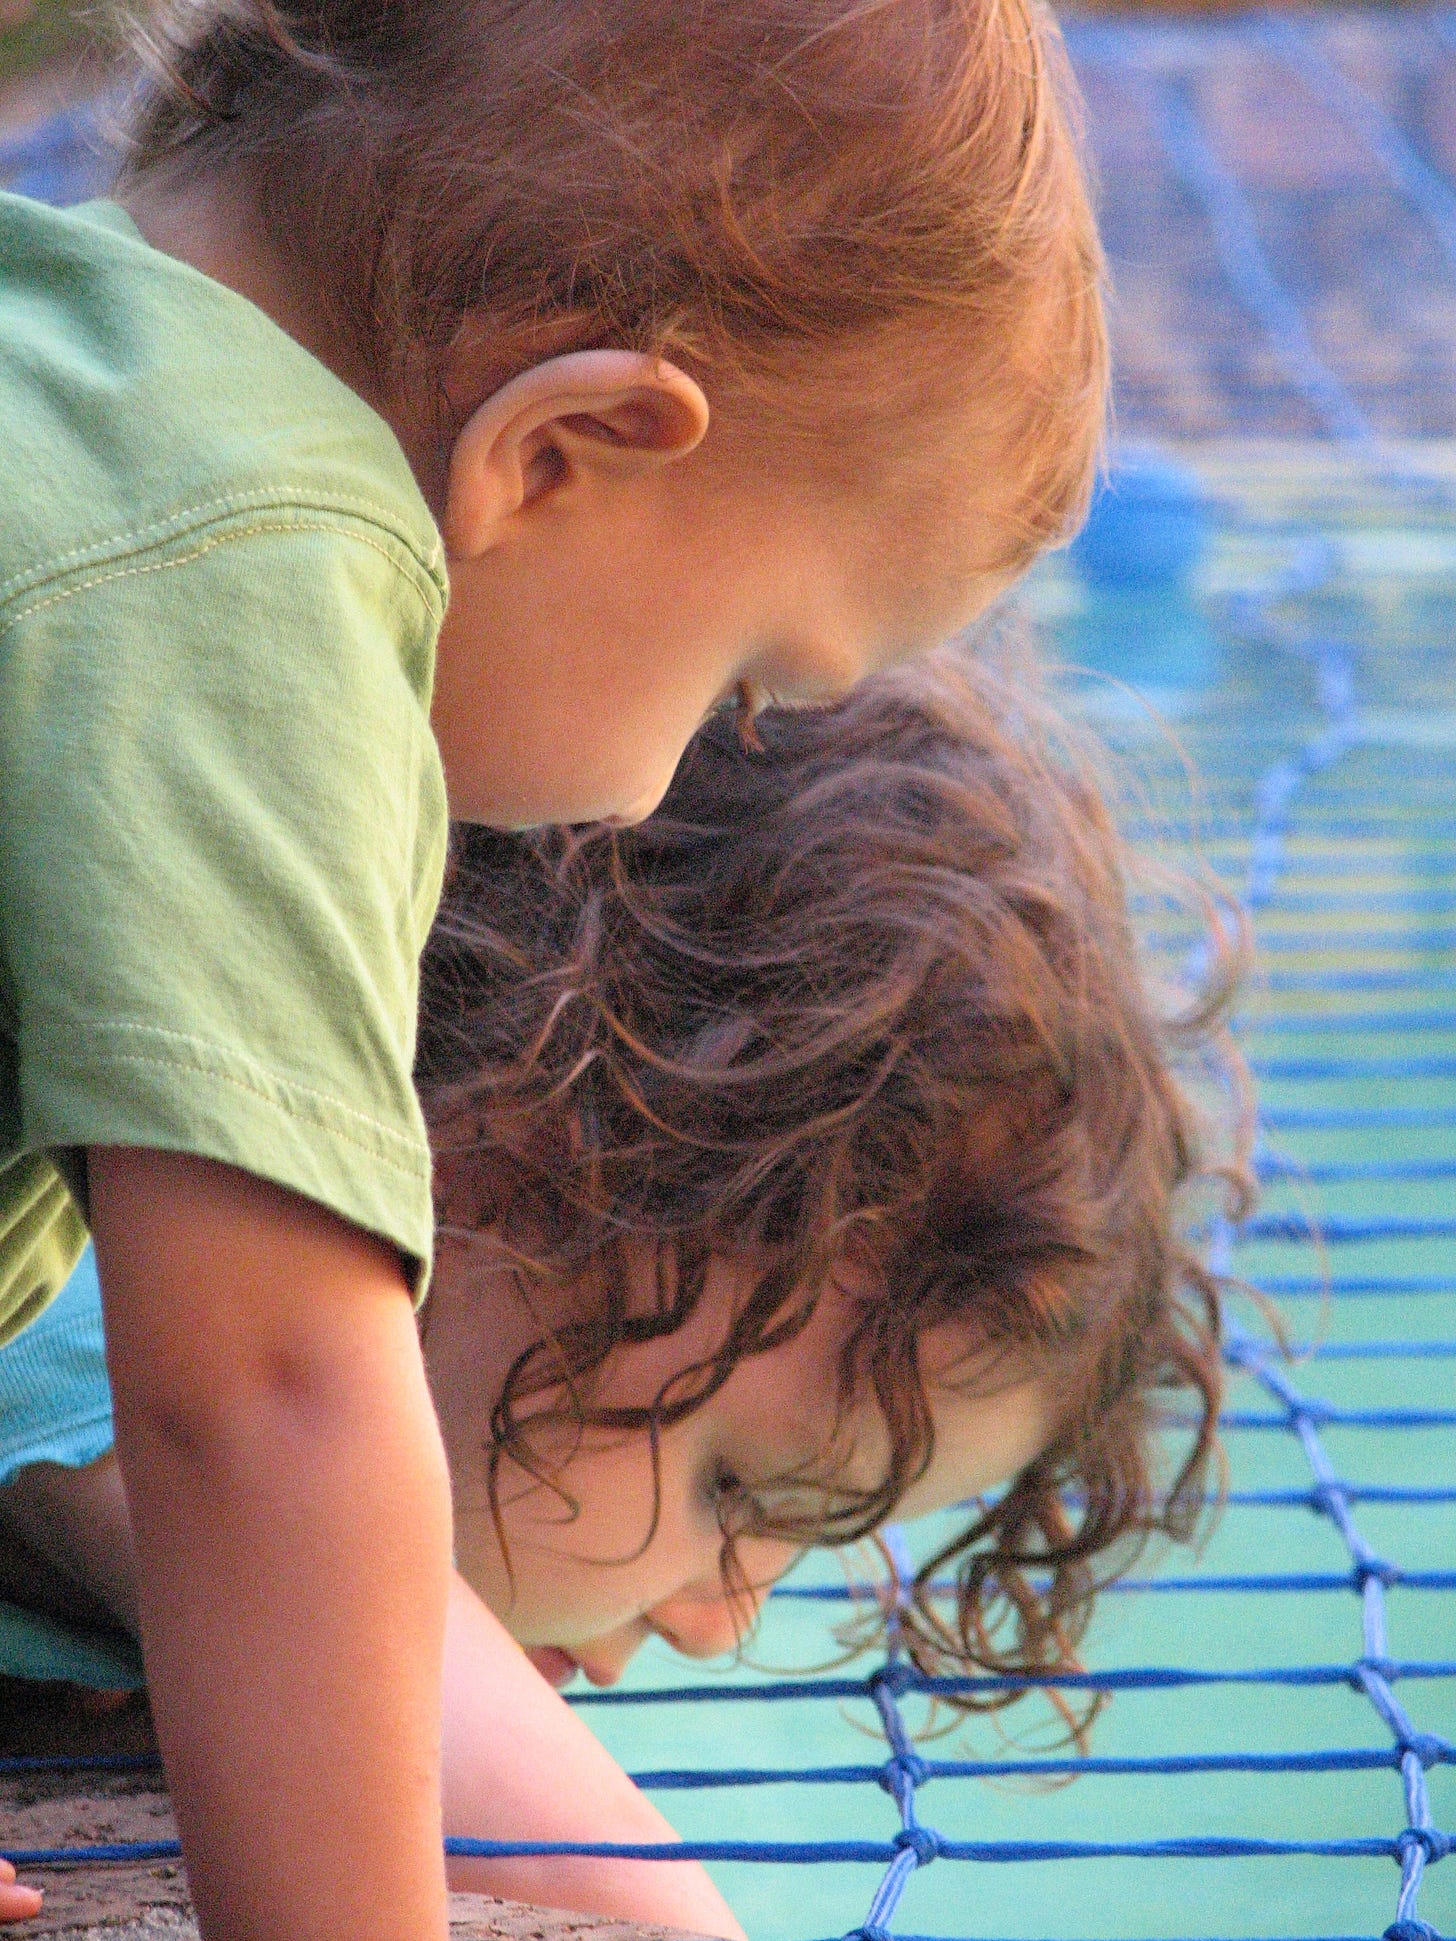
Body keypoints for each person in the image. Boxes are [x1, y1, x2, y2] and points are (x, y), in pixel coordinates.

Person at [0, 658, 1248, 1929]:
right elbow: (581, 1861)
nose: (721, 1624)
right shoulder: (98, 1275)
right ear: (518, 1145)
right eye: (740, 1489)